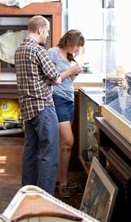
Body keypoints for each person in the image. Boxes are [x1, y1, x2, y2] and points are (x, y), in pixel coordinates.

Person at [14, 15, 61, 195]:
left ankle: (27, 193)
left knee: (30, 152)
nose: (47, 35)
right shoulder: (38, 50)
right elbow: (56, 78)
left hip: (27, 109)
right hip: (43, 108)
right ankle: (45, 198)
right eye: (47, 31)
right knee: (49, 154)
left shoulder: (19, 50)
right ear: (40, 30)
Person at [47, 30, 84, 198]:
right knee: (68, 141)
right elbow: (51, 78)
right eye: (77, 47)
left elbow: (67, 81)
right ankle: (61, 182)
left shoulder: (69, 57)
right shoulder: (53, 53)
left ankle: (62, 181)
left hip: (69, 99)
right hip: (57, 99)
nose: (77, 51)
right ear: (70, 42)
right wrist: (70, 71)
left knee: (65, 145)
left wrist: (74, 73)